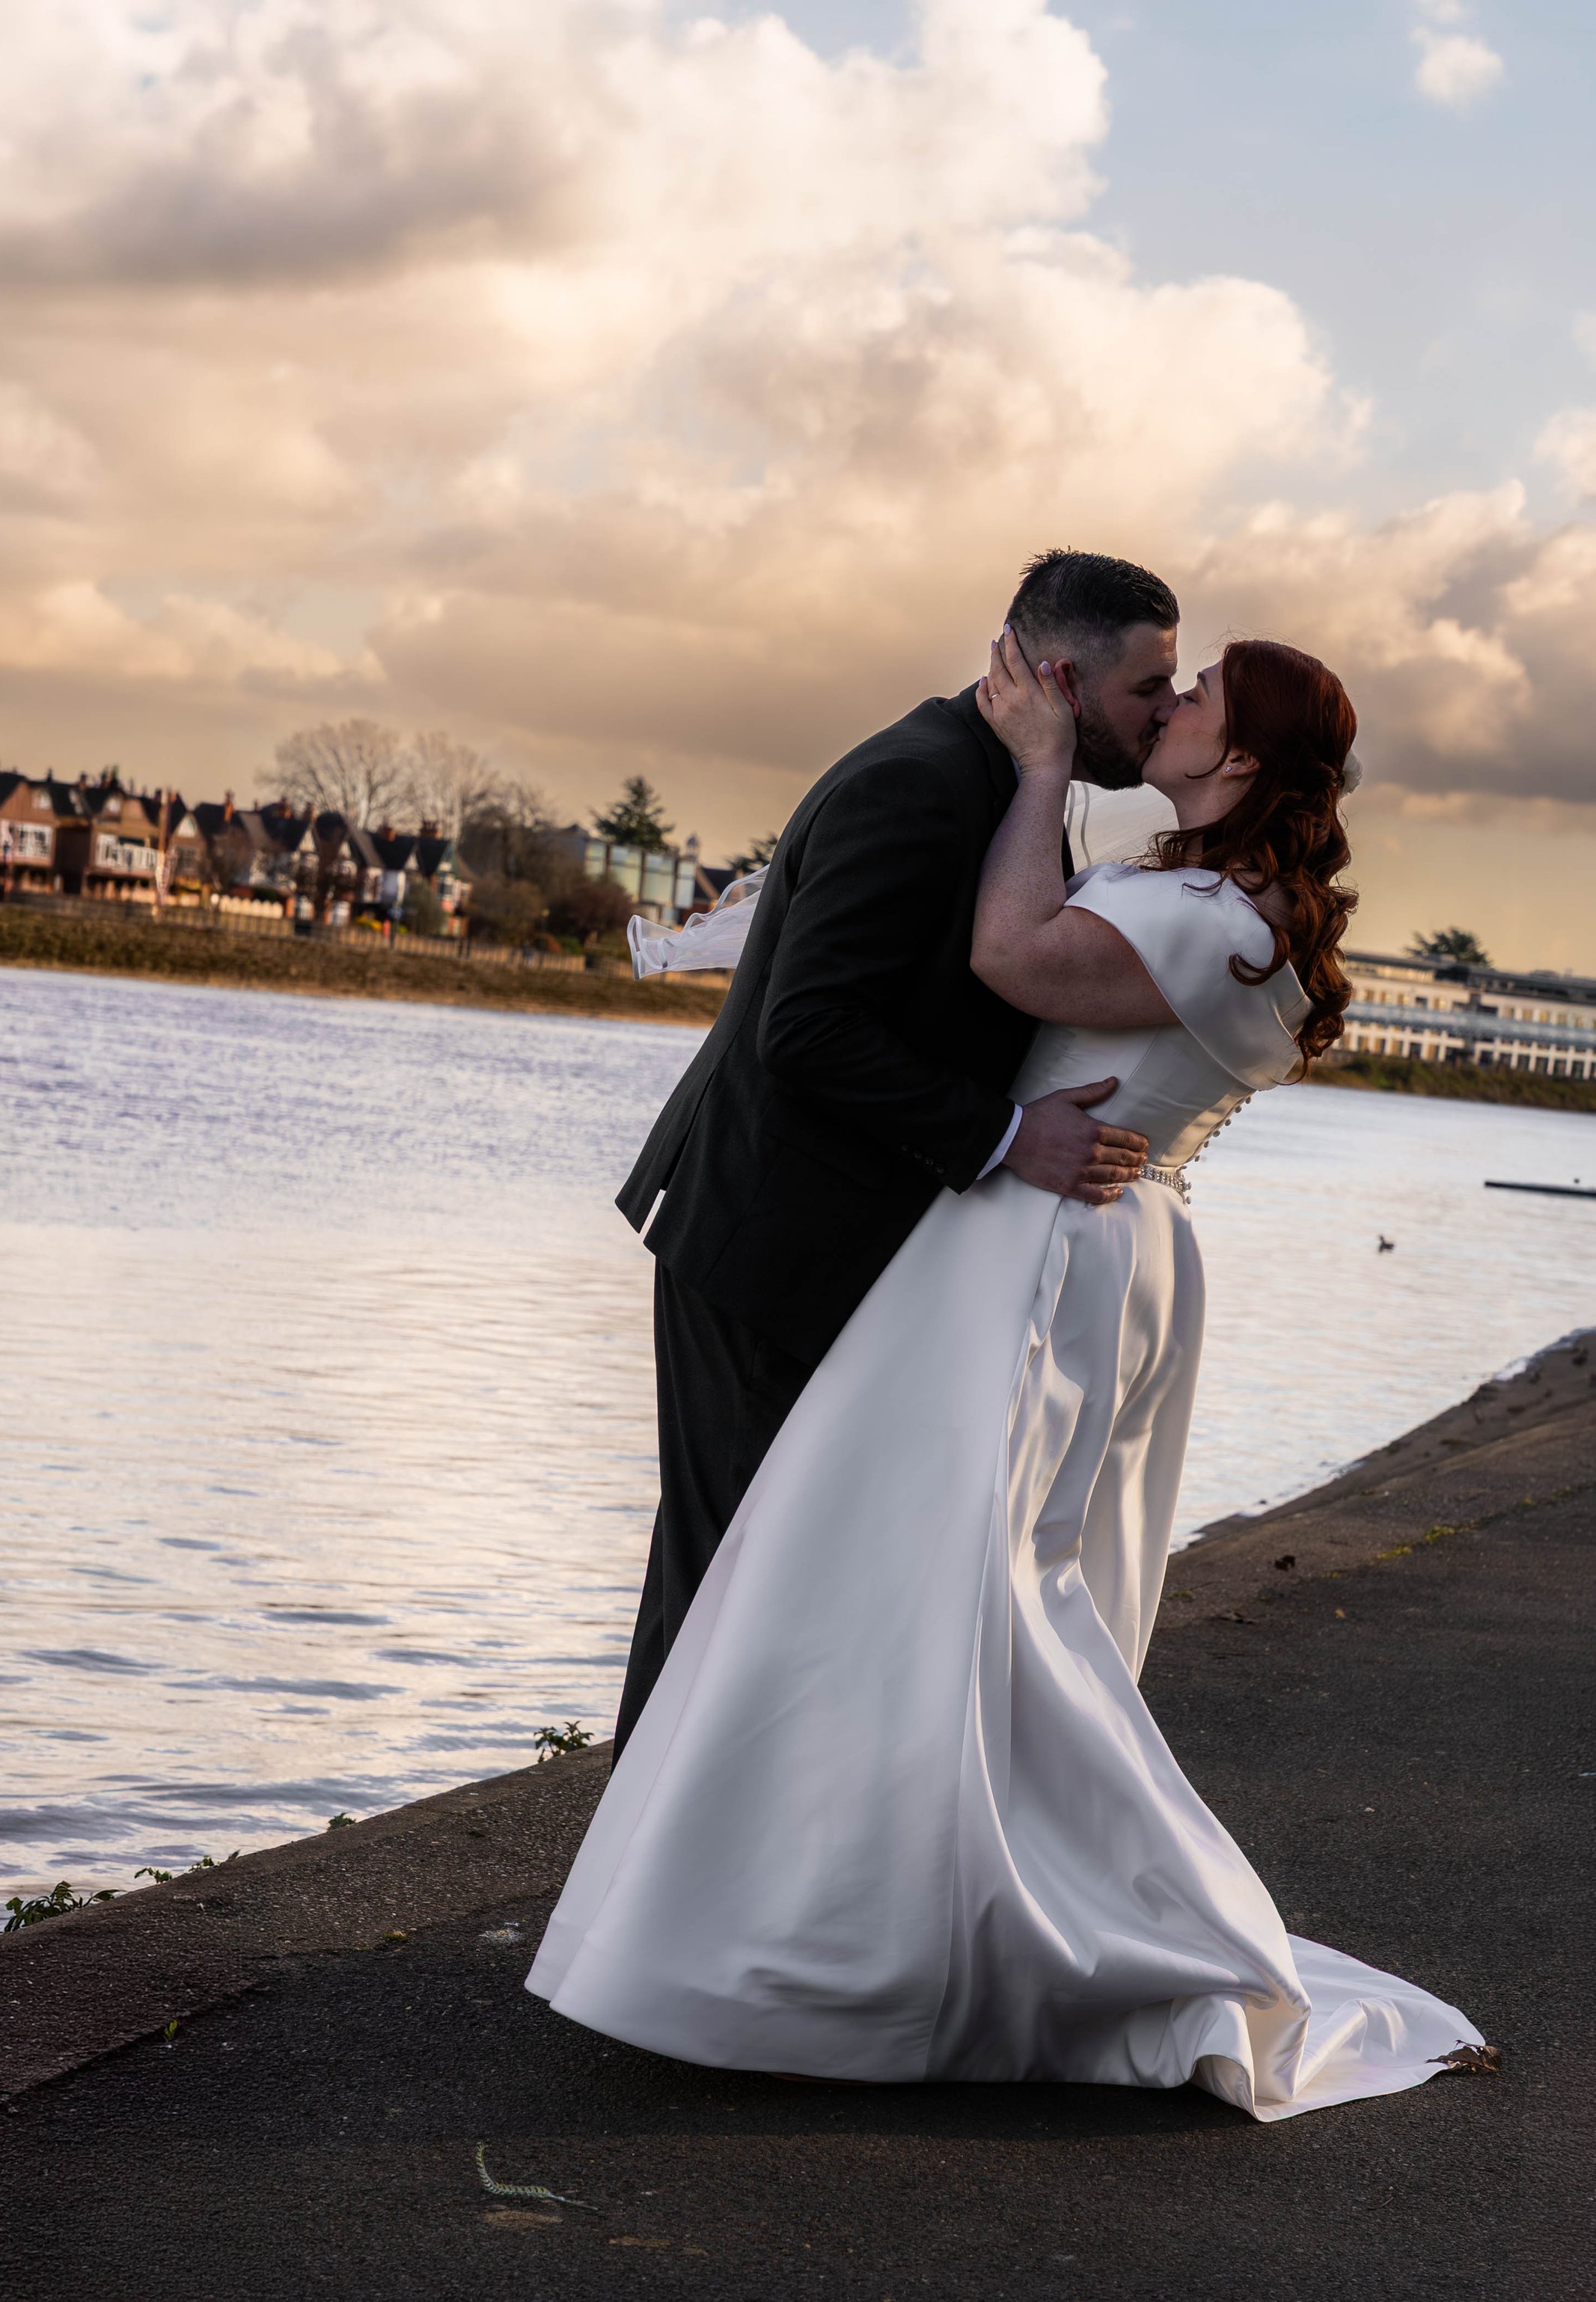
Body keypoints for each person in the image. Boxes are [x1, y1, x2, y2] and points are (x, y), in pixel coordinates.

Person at [529, 632, 1485, 2119]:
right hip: (1074, 1236)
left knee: (984, 1597)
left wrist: (1040, 762)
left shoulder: (1203, 918)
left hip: (1042, 1249)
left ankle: (981, 1930)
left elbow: (1001, 954)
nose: (1164, 712)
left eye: (1194, 700)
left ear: (1235, 760)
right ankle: (846, 1906)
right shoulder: (1214, 893)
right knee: (933, 1592)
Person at [611, 549, 1182, 1756]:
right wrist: (1011, 1137)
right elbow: (806, 1028)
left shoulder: (1005, 783)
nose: (1167, 714)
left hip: (842, 1239)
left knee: (778, 1574)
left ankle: (700, 1887)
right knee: (727, 1572)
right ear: (1069, 681)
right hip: (767, 1237)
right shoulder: (921, 784)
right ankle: (633, 1909)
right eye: (1151, 689)